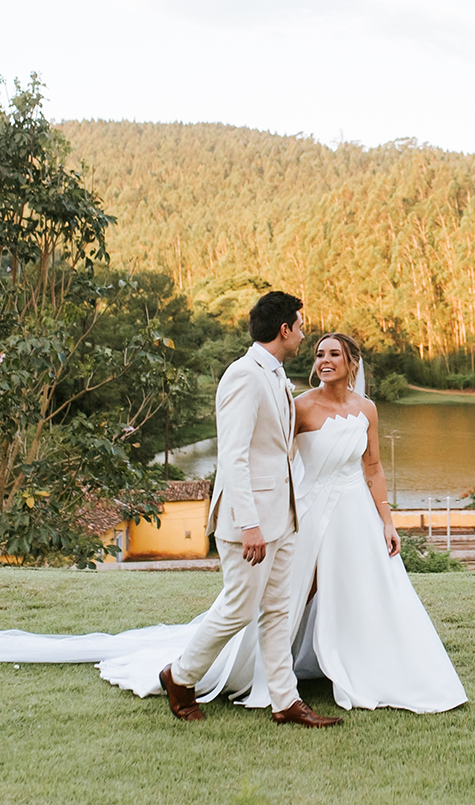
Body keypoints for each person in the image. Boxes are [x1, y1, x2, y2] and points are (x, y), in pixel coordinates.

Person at [0, 321, 466, 717]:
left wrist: (387, 519)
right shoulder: (298, 405)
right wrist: (255, 517)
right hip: (306, 511)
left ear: (352, 364)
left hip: (357, 520)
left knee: (365, 591)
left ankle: (363, 667)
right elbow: (264, 458)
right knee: (281, 600)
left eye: (332, 354)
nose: (321, 359)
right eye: (315, 350)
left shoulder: (365, 409)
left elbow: (371, 470)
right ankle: (240, 678)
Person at [157, 290, 340, 727]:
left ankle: (285, 701)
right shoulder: (243, 375)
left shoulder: (275, 374)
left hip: (283, 517)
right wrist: (250, 525)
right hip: (251, 523)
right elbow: (234, 456)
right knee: (238, 607)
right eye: (300, 326)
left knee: (279, 608)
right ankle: (180, 677)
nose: (303, 334)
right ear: (284, 330)